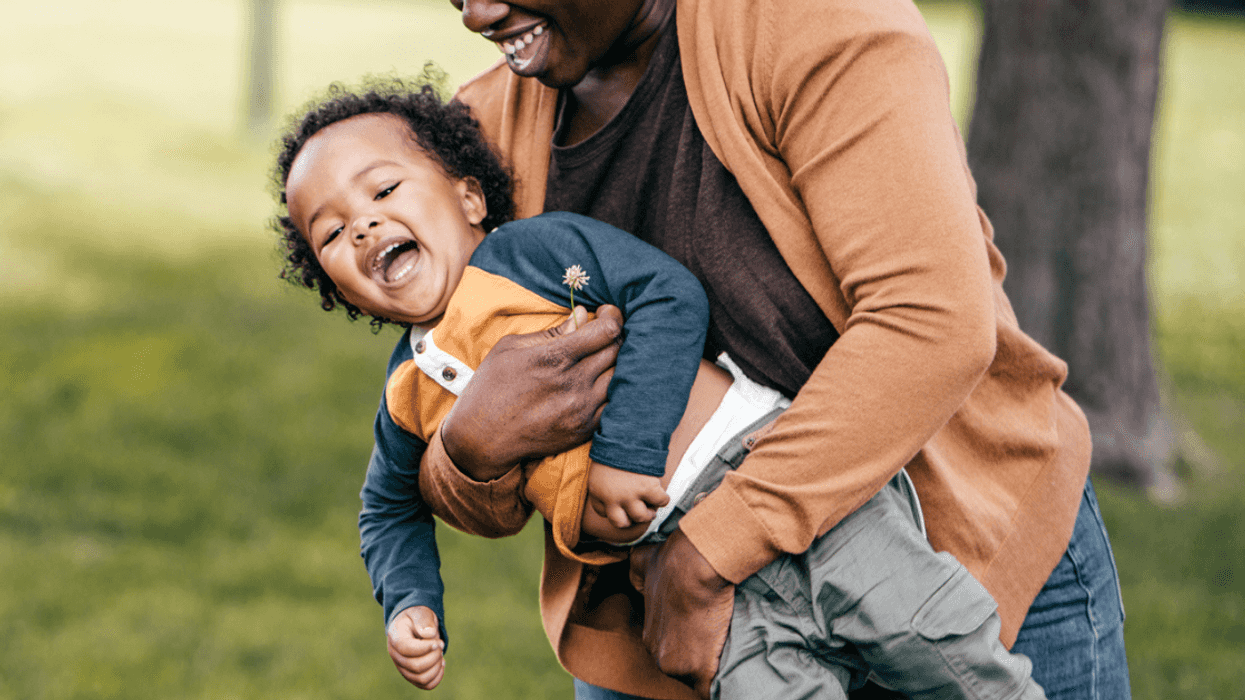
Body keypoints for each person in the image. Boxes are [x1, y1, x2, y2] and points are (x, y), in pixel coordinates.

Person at [391, 0, 1131, 699]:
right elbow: (450, 448)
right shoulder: (483, 132)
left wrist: (709, 551)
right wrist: (470, 450)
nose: (479, 15)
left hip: (951, 565)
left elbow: (928, 323)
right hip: (692, 641)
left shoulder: (813, 24)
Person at [272, 82, 1049, 700]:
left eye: (381, 193)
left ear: (470, 199)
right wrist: (410, 603)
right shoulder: (407, 394)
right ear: (334, 286)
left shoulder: (532, 255)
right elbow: (388, 506)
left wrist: (624, 453)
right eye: (333, 233)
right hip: (679, 574)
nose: (365, 229)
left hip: (773, 481)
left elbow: (664, 295)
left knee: (939, 645)